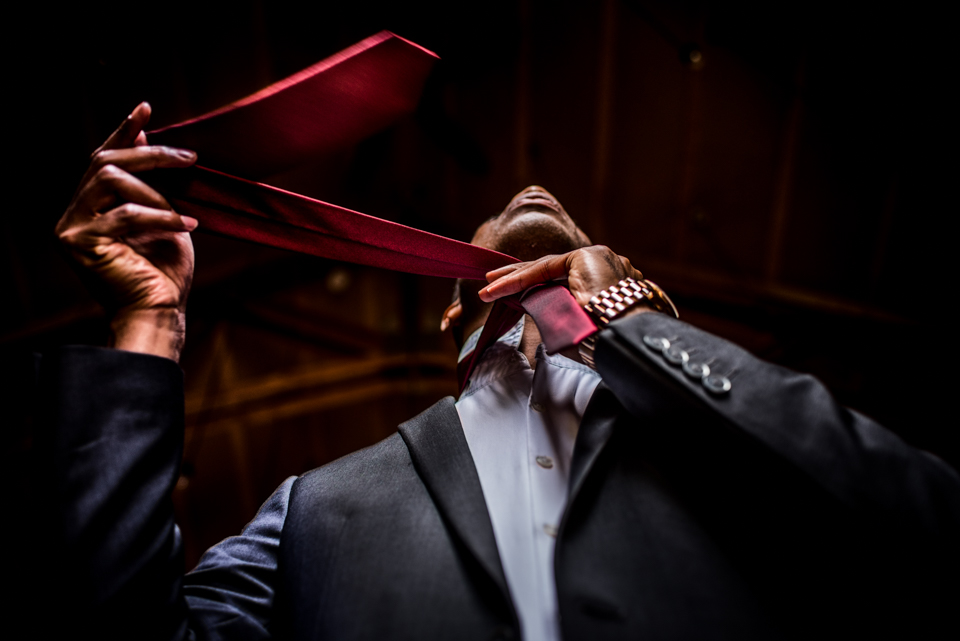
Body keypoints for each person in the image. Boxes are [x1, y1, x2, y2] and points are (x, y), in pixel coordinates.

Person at [43, 103, 959, 641]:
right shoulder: (309, 509)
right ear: (455, 313)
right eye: (501, 215)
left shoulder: (715, 445)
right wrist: (148, 322)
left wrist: (626, 323)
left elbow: (917, 521)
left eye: (570, 218)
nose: (531, 191)